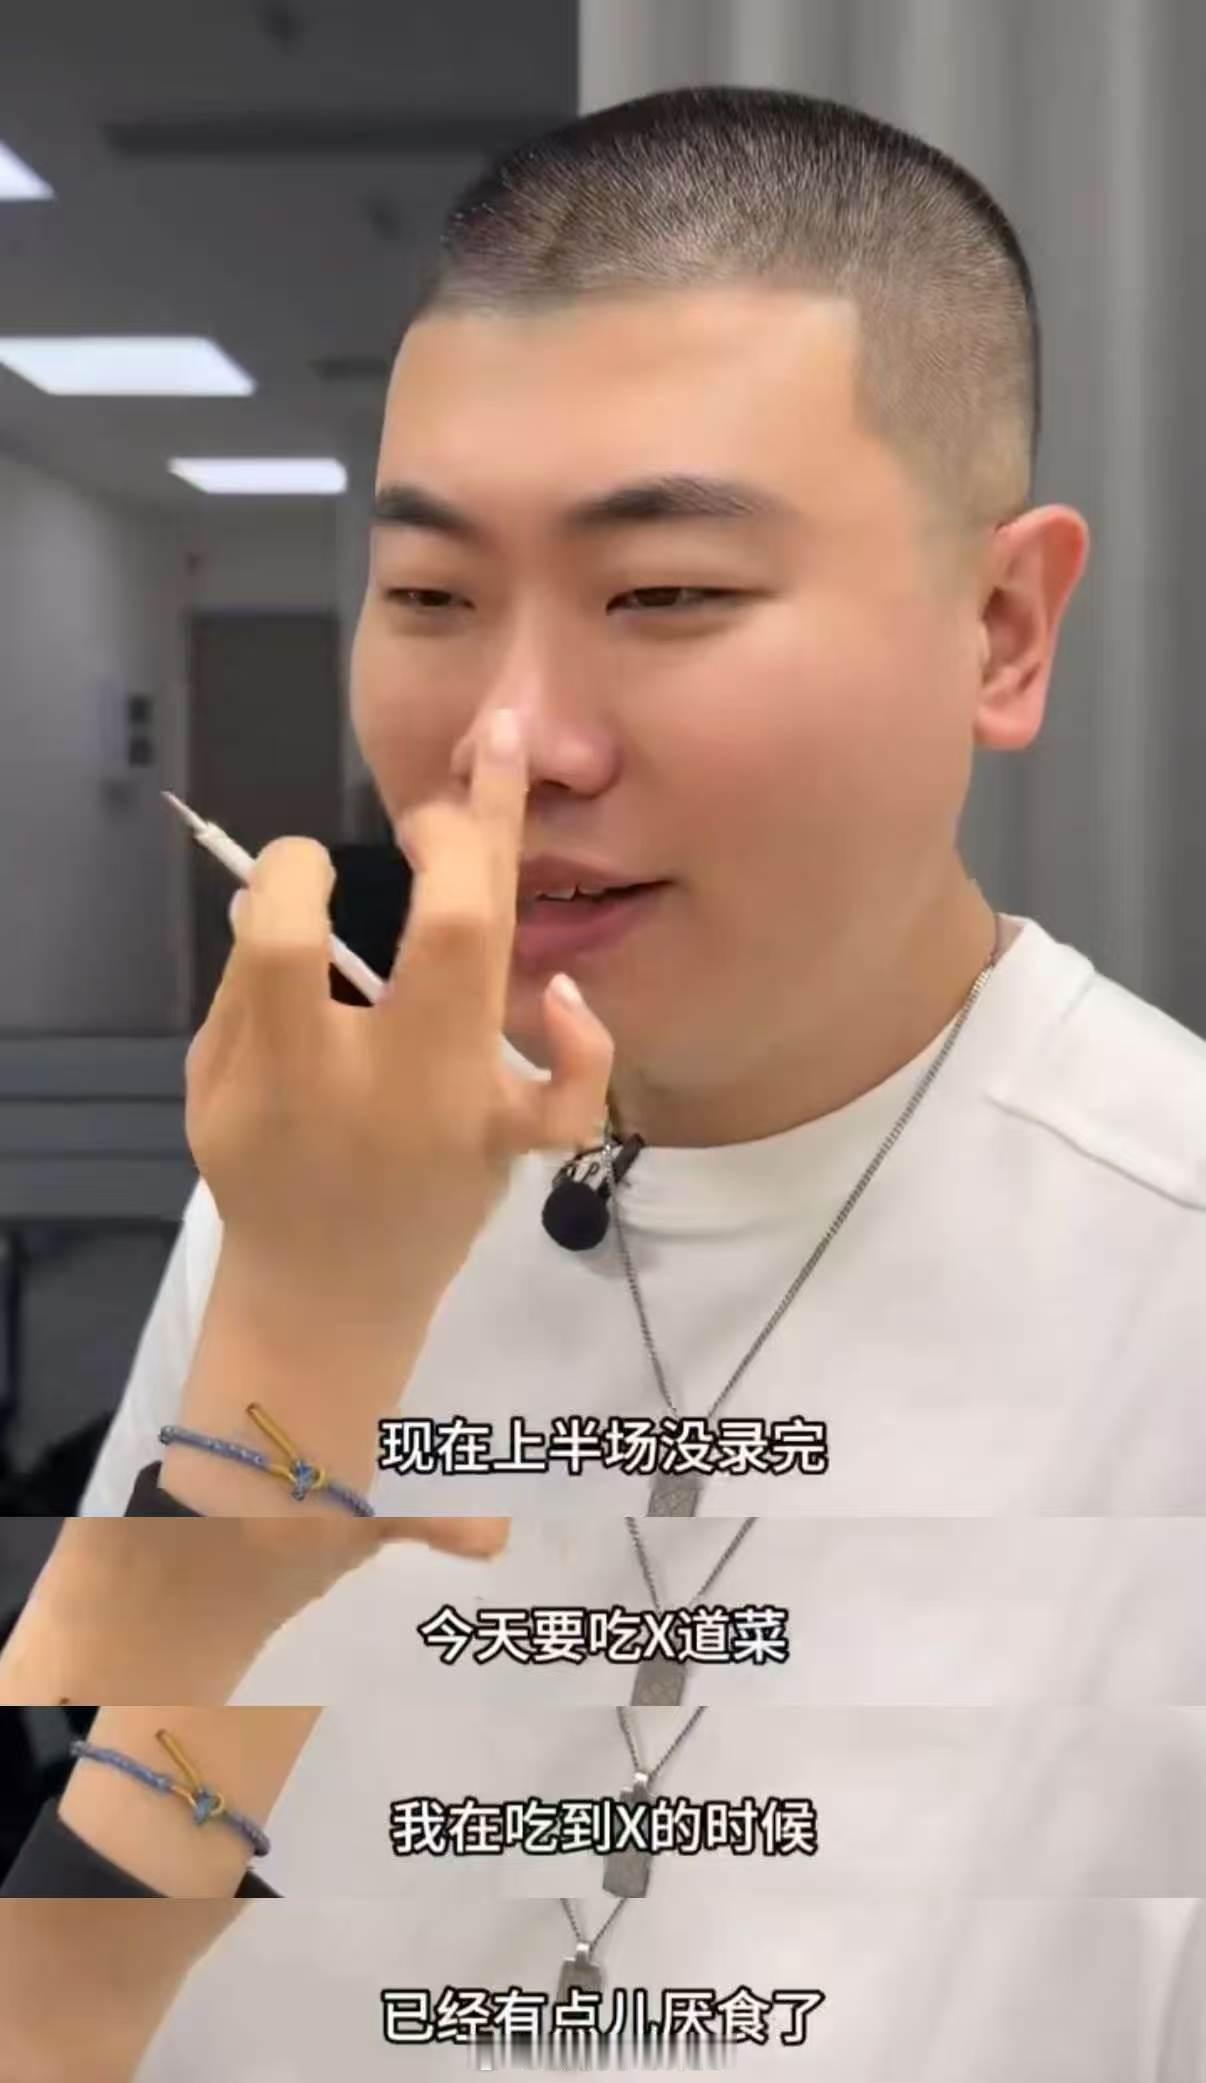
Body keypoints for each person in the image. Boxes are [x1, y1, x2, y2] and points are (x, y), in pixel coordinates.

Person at [4, 80, 1205, 2082]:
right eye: (428, 597)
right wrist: (277, 1382)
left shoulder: (1159, 1262)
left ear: (1000, 630)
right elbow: (86, 1925)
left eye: (665, 596)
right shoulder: (317, 1190)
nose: (509, 741)